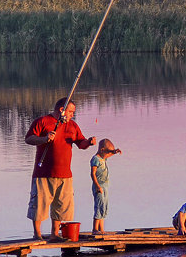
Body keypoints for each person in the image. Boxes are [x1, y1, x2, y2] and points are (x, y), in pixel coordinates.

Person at [24, 97, 96, 240]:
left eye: (73, 112)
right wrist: (44, 139)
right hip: (43, 173)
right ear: (62, 110)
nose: (72, 115)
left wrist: (88, 142)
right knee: (39, 204)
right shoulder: (43, 121)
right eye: (70, 112)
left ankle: (55, 234)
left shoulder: (73, 125)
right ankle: (37, 235)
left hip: (65, 175)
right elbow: (29, 139)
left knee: (61, 206)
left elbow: (80, 143)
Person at [90, 138, 121, 235]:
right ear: (102, 150)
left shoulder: (103, 158)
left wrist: (114, 152)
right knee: (98, 206)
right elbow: (93, 174)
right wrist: (97, 186)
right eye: (108, 152)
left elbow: (109, 154)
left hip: (105, 186)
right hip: (98, 186)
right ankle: (95, 229)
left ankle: (101, 229)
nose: (109, 154)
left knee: (104, 207)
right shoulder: (95, 159)